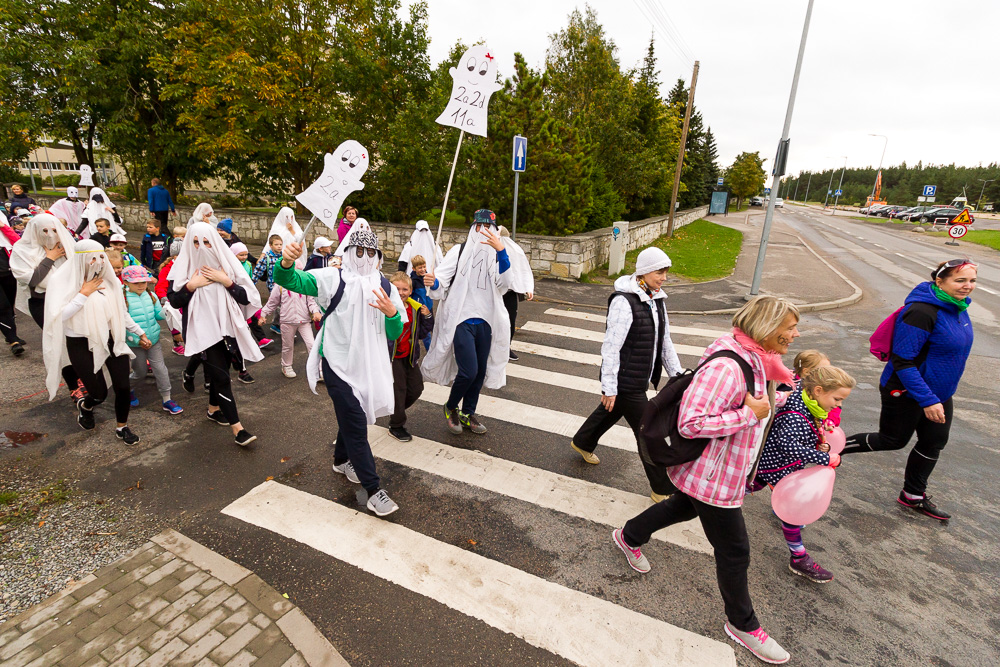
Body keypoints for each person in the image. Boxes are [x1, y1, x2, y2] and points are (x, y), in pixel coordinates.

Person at [612, 295, 800, 666]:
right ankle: (742, 624)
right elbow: (691, 423)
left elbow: (748, 404)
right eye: (789, 327)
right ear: (766, 326)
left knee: (680, 507)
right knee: (734, 550)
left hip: (717, 471)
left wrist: (769, 405)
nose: (795, 334)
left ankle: (629, 535)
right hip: (715, 476)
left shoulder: (755, 358)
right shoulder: (730, 367)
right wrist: (749, 414)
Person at [275, 220, 406, 517]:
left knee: (353, 415)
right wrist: (286, 261)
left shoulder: (384, 286)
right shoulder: (330, 278)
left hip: (368, 366)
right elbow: (291, 280)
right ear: (348, 250)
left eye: (371, 251)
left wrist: (391, 315)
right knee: (357, 423)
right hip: (337, 363)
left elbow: (394, 332)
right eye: (358, 250)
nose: (365, 256)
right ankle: (373, 490)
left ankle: (340, 459)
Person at [843, 260, 976, 521]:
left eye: (972, 281)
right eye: (960, 280)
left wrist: (938, 395)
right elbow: (902, 360)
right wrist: (927, 400)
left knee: (934, 441)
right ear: (940, 281)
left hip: (938, 393)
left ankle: (913, 495)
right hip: (905, 389)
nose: (967, 286)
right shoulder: (921, 312)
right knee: (892, 440)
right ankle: (830, 448)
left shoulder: (958, 308)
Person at [570, 247, 681, 502]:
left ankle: (583, 441)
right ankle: (661, 487)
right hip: (626, 380)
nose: (664, 277)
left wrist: (678, 376)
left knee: (612, 410)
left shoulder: (656, 298)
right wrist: (609, 387)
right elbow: (611, 346)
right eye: (659, 271)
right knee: (648, 430)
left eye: (666, 271)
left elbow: (665, 342)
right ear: (644, 271)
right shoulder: (624, 301)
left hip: (637, 378)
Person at [43, 240, 149, 445]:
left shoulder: (110, 281)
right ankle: (86, 406)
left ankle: (122, 427)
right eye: (92, 257)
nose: (98, 262)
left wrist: (140, 332)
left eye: (101, 257)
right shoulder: (61, 281)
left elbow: (120, 312)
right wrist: (83, 293)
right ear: (81, 258)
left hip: (111, 338)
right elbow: (58, 317)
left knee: (123, 387)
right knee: (98, 392)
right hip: (80, 342)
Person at [755, 365, 854, 584]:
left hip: (775, 466)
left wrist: (821, 440)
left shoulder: (808, 403)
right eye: (837, 399)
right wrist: (826, 459)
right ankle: (799, 558)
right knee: (793, 511)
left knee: (746, 488)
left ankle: (692, 499)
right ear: (818, 391)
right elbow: (787, 444)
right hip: (777, 466)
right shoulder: (797, 415)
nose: (839, 405)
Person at [168, 222, 262, 446]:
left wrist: (226, 281)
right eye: (196, 243)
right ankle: (238, 429)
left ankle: (213, 410)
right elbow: (174, 300)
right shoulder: (184, 268)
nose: (202, 247)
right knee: (221, 377)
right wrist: (191, 285)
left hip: (227, 327)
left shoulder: (228, 266)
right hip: (202, 331)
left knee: (222, 371)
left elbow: (246, 297)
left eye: (207, 242)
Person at [422, 209, 512, 435]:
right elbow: (440, 281)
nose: (483, 231)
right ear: (473, 228)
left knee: (480, 372)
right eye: (479, 227)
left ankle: (467, 411)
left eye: (488, 227)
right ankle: (451, 406)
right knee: (468, 371)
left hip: (486, 321)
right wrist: (433, 283)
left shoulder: (499, 253)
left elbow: (505, 284)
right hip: (461, 319)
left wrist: (501, 251)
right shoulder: (459, 251)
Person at [9, 213, 84, 398]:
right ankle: (73, 385)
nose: (50, 235)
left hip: (70, 300)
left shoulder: (67, 245)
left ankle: (83, 375)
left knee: (78, 338)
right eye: (44, 231)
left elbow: (82, 271)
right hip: (42, 303)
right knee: (59, 341)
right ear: (34, 231)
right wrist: (50, 257)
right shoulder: (22, 250)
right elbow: (33, 280)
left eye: (54, 230)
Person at [121, 266, 183, 415]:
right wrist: (137, 340)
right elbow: (122, 324)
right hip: (135, 344)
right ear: (126, 282)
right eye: (137, 283)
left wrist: (169, 310)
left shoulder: (151, 295)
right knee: (140, 371)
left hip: (154, 340)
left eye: (144, 282)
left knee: (161, 369)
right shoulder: (121, 299)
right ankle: (128, 388)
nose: (142, 285)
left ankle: (167, 399)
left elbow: (158, 315)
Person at [387, 271, 434, 442]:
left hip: (410, 356)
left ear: (411, 290)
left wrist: (427, 316)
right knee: (399, 390)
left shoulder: (415, 309)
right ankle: (396, 425)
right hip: (392, 357)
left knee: (416, 389)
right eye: (396, 288)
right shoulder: (386, 306)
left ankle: (393, 409)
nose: (400, 293)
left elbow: (421, 333)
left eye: (405, 289)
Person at [258, 274, 320, 378]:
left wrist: (315, 312)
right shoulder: (280, 286)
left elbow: (311, 301)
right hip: (287, 321)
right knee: (288, 346)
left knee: (312, 344)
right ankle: (286, 366)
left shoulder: (304, 284)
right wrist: (263, 315)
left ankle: (317, 368)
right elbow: (272, 303)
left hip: (304, 320)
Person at [497, 226, 534, 362]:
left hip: (510, 293)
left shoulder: (515, 251)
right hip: (494, 293)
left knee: (510, 322)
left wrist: (527, 287)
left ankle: (506, 347)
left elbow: (523, 270)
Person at [0, 213, 25, 356]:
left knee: (9, 304)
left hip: (6, 264)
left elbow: (17, 241)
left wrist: (3, 227)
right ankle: (13, 340)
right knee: (2, 306)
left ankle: (11, 333)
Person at [252, 234, 284, 335]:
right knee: (279, 306)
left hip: (284, 286)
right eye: (276, 244)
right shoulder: (267, 258)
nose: (279, 246)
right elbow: (258, 271)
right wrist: (252, 284)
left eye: (280, 244)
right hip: (273, 287)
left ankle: (277, 324)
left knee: (282, 305)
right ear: (270, 245)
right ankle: (278, 325)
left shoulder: (284, 256)